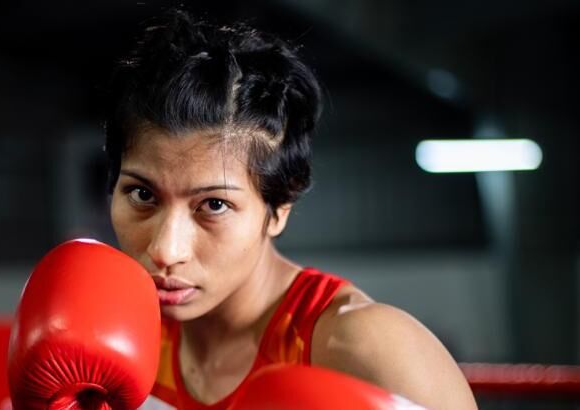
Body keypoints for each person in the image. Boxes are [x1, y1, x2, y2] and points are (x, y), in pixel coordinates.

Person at [104, 9, 477, 410]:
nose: (165, 250)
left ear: (280, 207)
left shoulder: (365, 347)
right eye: (143, 194)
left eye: (214, 205)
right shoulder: (116, 337)